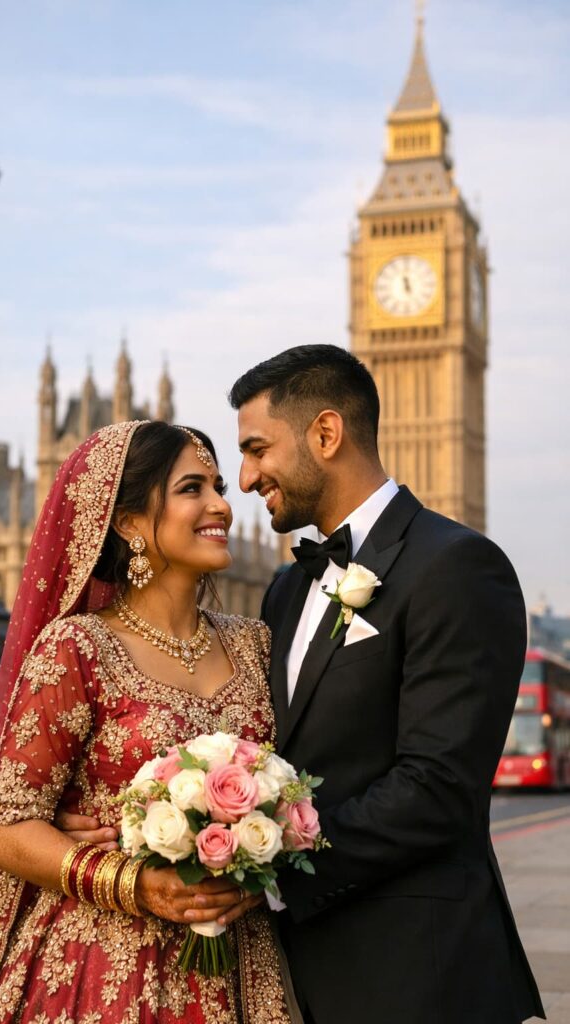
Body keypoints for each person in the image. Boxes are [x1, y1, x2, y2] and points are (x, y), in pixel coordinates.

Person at [0, 420, 295, 1024]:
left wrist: (260, 861)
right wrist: (130, 880)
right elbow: (0, 829)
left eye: (217, 487)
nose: (220, 505)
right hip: (104, 967)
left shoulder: (255, 644)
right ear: (128, 522)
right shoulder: (77, 648)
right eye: (191, 489)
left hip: (242, 967)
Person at [226, 344, 544, 1024]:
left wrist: (263, 868)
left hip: (416, 976)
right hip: (294, 973)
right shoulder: (285, 590)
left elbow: (436, 786)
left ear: (326, 433)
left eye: (256, 449)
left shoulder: (457, 565)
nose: (246, 477)